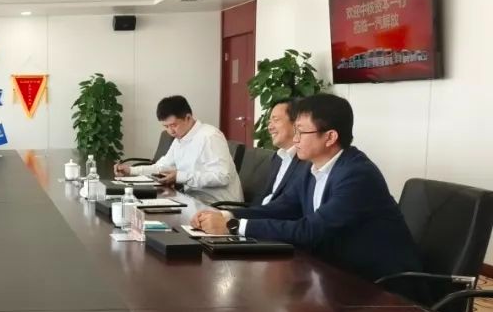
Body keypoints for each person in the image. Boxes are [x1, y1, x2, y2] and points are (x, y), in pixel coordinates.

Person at [191, 93, 422, 284]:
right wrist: (225, 215)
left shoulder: (357, 175)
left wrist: (233, 226)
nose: (295, 139)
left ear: (330, 137)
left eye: (301, 132)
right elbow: (281, 209)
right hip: (334, 274)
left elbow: (311, 230)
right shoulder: (311, 168)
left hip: (381, 287)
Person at [115, 95, 243, 204]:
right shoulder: (180, 138)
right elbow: (162, 166)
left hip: (217, 204)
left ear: (188, 118)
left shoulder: (210, 136)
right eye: (166, 126)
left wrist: (180, 176)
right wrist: (131, 170)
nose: (170, 131)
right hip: (193, 199)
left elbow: (222, 177)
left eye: (173, 125)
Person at [253, 99, 305, 206]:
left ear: (296, 123)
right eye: (269, 122)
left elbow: (290, 205)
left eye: (275, 120)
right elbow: (265, 196)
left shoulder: (307, 161)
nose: (270, 127)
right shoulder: (277, 158)